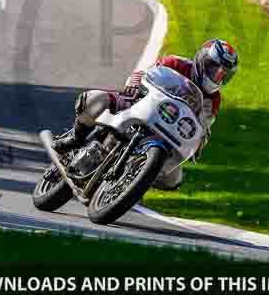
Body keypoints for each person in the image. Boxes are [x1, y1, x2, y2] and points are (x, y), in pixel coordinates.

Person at [54, 38, 239, 191]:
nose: (217, 76)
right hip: (138, 105)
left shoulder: (213, 99)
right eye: (214, 68)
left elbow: (204, 124)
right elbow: (144, 72)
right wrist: (134, 84)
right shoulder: (176, 63)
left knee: (173, 179)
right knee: (95, 99)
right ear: (202, 59)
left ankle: (135, 178)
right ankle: (76, 138)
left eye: (223, 74)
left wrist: (198, 142)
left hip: (166, 131)